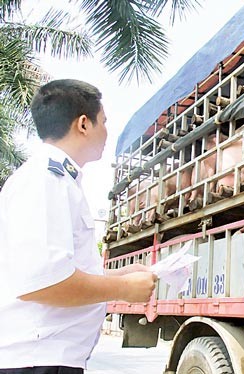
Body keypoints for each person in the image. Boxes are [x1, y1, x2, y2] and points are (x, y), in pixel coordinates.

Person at [0, 79, 157, 373]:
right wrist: (123, 288)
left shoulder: (59, 181)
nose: (107, 132)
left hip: (45, 359)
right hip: (36, 361)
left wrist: (117, 275)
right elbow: (43, 283)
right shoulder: (45, 180)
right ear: (83, 124)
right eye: (104, 122)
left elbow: (55, 271)